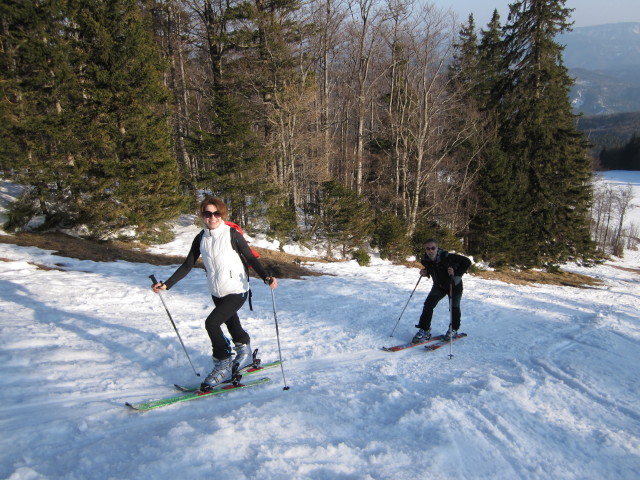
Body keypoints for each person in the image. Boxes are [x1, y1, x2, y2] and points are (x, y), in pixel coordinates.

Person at [152, 196, 277, 391]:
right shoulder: (201, 238)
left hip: (237, 288)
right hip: (216, 291)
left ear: (222, 214)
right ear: (202, 215)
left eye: (216, 213)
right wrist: (166, 285)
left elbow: (250, 257)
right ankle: (245, 350)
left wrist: (265, 277)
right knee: (231, 321)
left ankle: (224, 363)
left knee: (212, 323)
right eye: (208, 213)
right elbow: (187, 265)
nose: (212, 217)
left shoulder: (232, 234)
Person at [412, 238, 471, 343]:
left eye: (433, 248)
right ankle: (424, 330)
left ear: (437, 248)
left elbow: (467, 262)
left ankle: (453, 329)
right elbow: (432, 270)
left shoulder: (448, 257)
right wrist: (425, 273)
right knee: (428, 304)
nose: (430, 251)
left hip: (454, 285)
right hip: (439, 286)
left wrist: (456, 272)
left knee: (454, 307)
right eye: (428, 249)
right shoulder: (426, 260)